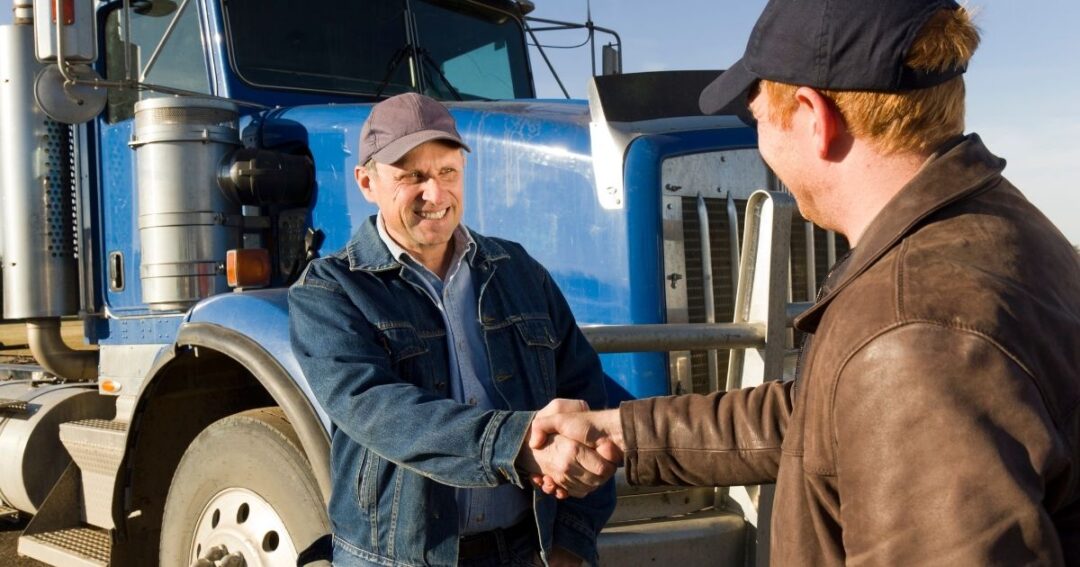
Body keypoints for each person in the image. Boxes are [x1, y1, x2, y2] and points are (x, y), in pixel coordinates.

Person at [529, 0, 1080, 564]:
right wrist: (624, 432)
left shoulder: (912, 335)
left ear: (816, 118)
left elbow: (898, 389)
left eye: (758, 115)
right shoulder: (995, 227)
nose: (761, 140)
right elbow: (830, 417)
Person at [289, 92, 616, 567]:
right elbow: (376, 408)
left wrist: (571, 540)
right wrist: (514, 443)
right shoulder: (330, 289)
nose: (435, 194)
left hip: (526, 551)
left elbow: (587, 394)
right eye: (412, 176)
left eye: (447, 172)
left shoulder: (519, 270)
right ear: (366, 182)